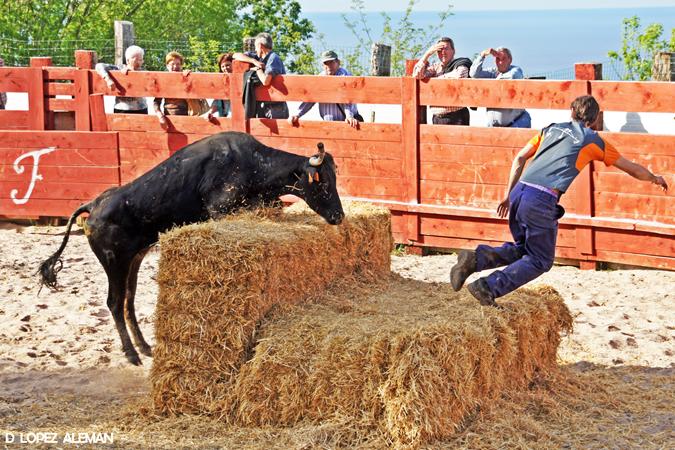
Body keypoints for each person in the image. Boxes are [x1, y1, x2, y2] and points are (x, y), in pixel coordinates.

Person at [450, 95, 668, 307]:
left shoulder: (550, 129)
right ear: (593, 120)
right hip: (541, 199)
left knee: (524, 250)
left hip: (519, 192)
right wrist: (654, 178)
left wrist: (508, 195)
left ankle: (475, 259)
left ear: (571, 111)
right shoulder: (593, 139)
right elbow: (632, 168)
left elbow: (520, 158)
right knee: (540, 260)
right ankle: (488, 287)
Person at [288, 50, 361, 129]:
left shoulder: (345, 75)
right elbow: (310, 99)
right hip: (327, 125)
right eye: (326, 63)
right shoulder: (320, 78)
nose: (328, 66)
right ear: (323, 65)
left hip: (346, 124)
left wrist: (349, 116)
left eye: (331, 62)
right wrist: (297, 114)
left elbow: (348, 98)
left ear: (338, 62)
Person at [412, 37, 472, 126]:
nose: (443, 52)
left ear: (453, 51)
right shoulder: (435, 68)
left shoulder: (460, 63)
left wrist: (434, 80)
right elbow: (416, 75)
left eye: (446, 48)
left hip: (456, 115)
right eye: (439, 50)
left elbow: (460, 75)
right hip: (437, 117)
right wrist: (427, 54)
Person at [470, 47, 531, 128]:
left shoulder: (515, 70)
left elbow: (510, 78)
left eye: (504, 58)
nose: (500, 62)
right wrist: (483, 54)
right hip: (495, 129)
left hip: (515, 125)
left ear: (510, 60)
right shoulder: (493, 72)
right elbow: (473, 74)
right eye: (498, 59)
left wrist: (486, 89)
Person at [233, 32, 289, 119]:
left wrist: (258, 69)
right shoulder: (259, 58)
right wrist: (254, 61)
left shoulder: (273, 58)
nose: (255, 50)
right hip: (265, 105)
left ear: (260, 46)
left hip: (276, 107)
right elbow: (235, 55)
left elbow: (265, 81)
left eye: (256, 47)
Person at [95, 45, 148, 114]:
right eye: (136, 60)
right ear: (128, 60)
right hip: (122, 109)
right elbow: (99, 66)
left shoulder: (144, 72)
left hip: (141, 109)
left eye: (141, 59)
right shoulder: (119, 68)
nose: (140, 62)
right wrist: (108, 79)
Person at [202, 53, 233, 121]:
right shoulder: (219, 81)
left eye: (228, 65)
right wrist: (211, 112)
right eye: (223, 66)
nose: (225, 68)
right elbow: (216, 102)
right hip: (222, 112)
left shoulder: (240, 79)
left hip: (234, 113)